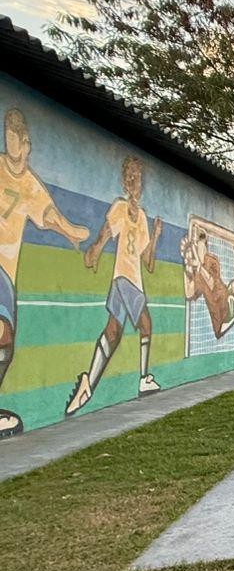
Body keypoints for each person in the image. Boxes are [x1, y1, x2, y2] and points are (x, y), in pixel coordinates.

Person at [1, 108, 91, 436]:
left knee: (6, 340)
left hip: (7, 272)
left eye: (16, 139)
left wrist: (73, 233)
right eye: (7, 138)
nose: (11, 145)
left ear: (26, 144)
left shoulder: (30, 184)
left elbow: (50, 215)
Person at [65, 156, 162, 417]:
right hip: (124, 278)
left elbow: (149, 262)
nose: (134, 181)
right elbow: (105, 234)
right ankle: (144, 379)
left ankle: (88, 385)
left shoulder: (142, 217)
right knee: (146, 324)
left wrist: (155, 237)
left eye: (137, 176)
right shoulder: (120, 208)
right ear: (124, 183)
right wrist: (94, 251)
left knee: (112, 333)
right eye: (129, 176)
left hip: (132, 280)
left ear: (141, 183)